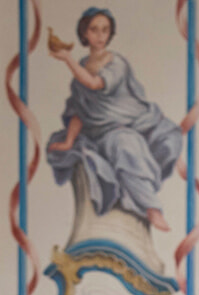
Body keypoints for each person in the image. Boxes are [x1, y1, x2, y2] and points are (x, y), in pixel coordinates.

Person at [47, 10, 182, 235]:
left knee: (126, 144)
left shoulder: (116, 63)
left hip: (130, 124)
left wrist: (67, 59)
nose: (100, 36)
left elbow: (94, 83)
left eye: (105, 30)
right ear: (84, 33)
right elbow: (80, 110)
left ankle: (152, 207)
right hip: (99, 133)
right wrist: (69, 141)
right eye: (94, 29)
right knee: (118, 144)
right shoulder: (81, 65)